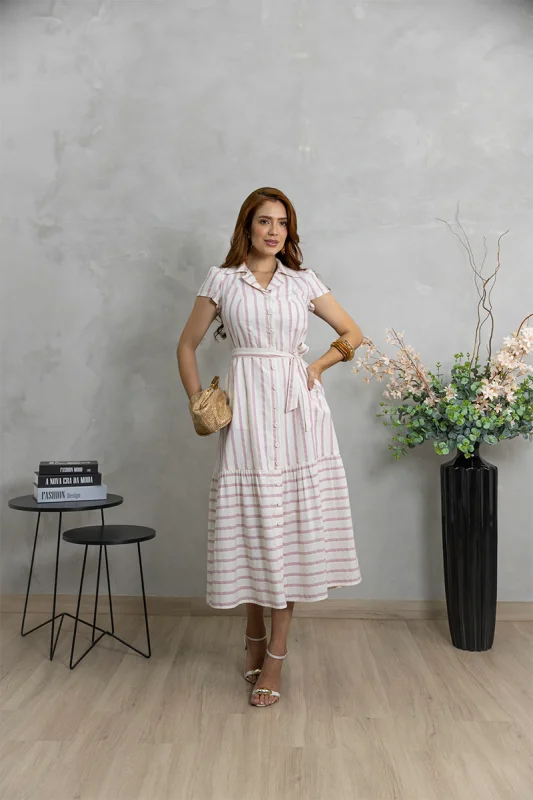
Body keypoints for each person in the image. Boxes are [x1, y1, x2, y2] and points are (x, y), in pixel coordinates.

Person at [177, 187, 363, 707]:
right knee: (253, 520)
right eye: (264, 221)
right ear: (248, 227)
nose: (274, 231)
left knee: (289, 526)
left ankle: (275, 655)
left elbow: (352, 332)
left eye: (282, 222)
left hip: (296, 411)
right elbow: (186, 345)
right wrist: (200, 401)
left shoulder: (303, 282)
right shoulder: (222, 281)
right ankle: (253, 632)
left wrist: (316, 367)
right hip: (245, 411)